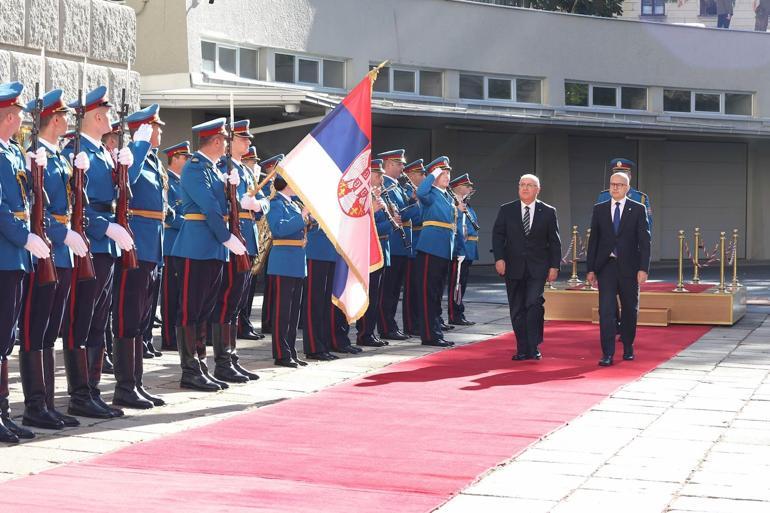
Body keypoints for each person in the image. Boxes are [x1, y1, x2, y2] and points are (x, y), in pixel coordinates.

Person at [63, 85, 142, 419]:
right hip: (90, 242)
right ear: (96, 116)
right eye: (107, 113)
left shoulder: (102, 153)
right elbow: (74, 202)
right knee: (81, 321)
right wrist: (104, 227)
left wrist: (123, 168)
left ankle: (92, 390)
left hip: (106, 245)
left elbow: (120, 199)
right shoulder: (77, 151)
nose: (110, 118)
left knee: (98, 321)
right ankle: (80, 393)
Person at [18, 89, 89, 431]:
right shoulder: (35, 156)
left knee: (50, 330)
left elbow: (71, 205)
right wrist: (62, 236)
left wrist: (80, 176)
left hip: (60, 252)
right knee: (35, 329)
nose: (67, 122)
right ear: (55, 120)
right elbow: (36, 210)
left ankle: (47, 402)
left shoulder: (59, 156)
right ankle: (34, 404)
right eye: (63, 117)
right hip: (44, 249)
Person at [169, 118, 246, 390]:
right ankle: (190, 370)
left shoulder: (214, 170)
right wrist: (227, 238)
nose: (227, 143)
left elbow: (226, 205)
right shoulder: (195, 168)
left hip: (212, 248)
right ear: (215, 141)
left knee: (204, 310)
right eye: (225, 139)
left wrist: (233, 189)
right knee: (190, 310)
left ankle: (201, 365)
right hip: (196, 246)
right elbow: (210, 207)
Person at [0, 81, 51, 442]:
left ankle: (3, 412)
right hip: (5, 253)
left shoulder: (15, 153)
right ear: (7, 117)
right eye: (17, 114)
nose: (21, 120)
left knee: (7, 339)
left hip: (16, 256)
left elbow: (29, 198)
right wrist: (24, 236)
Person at [110, 103, 165, 409]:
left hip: (151, 246)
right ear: (144, 128)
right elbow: (126, 183)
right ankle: (124, 386)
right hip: (135, 247)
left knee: (142, 320)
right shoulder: (131, 155)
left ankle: (136, 383)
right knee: (128, 316)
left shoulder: (153, 159)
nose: (159, 132)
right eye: (155, 127)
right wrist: (139, 144)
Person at [209, 120, 267, 383]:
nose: (248, 143)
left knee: (239, 302)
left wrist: (256, 204)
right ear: (229, 141)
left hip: (249, 239)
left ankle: (231, 358)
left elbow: (261, 201)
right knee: (228, 301)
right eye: (243, 139)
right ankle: (223, 362)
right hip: (234, 239)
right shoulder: (223, 167)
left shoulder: (245, 169)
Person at [492, 174, 561, 361]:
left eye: (530, 185)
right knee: (517, 308)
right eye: (522, 184)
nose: (525, 188)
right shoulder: (507, 210)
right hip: (513, 267)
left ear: (538, 190)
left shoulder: (547, 211)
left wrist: (554, 266)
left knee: (533, 304)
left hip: (538, 268)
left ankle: (534, 345)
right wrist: (499, 259)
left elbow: (554, 242)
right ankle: (522, 348)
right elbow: (498, 236)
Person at [586, 172, 651, 367]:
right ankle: (607, 353)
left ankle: (628, 346)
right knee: (606, 310)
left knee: (630, 309)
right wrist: (590, 269)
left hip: (629, 268)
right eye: (612, 184)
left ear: (627, 188)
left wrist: (643, 269)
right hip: (606, 266)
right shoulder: (600, 209)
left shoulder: (638, 209)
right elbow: (594, 241)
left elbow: (645, 242)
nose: (615, 188)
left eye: (619, 185)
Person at [266, 174, 310, 367]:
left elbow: (302, 227)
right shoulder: (275, 203)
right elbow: (279, 229)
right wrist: (302, 217)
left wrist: (310, 219)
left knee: (293, 312)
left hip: (297, 261)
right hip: (283, 261)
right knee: (282, 311)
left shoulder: (294, 204)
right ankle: (281, 352)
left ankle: (290, 350)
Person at [415, 156, 459, 347]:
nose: (447, 176)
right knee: (428, 294)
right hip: (430, 249)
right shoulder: (431, 192)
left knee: (436, 294)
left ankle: (436, 331)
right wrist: (432, 174)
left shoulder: (447, 196)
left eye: (449, 172)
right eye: (443, 173)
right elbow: (421, 191)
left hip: (443, 251)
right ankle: (429, 335)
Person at [377, 149, 419, 341]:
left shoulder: (398, 187)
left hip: (401, 245)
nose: (403, 167)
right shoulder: (386, 187)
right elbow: (399, 215)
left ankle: (391, 325)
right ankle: (386, 326)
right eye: (400, 163)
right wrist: (414, 204)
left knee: (394, 291)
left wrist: (414, 202)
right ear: (389, 165)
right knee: (388, 290)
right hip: (392, 244)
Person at [356, 159, 392, 348]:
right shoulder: (363, 197)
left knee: (377, 296)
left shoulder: (376, 196)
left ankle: (371, 331)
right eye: (378, 175)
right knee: (369, 295)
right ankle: (364, 333)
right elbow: (367, 226)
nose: (381, 179)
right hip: (368, 251)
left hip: (380, 249)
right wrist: (387, 219)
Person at [159, 140, 191, 351]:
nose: (188, 161)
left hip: (185, 243)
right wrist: (191, 225)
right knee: (170, 295)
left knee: (181, 294)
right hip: (172, 243)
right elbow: (169, 214)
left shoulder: (184, 182)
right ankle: (169, 338)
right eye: (185, 157)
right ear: (176, 158)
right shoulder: (168, 181)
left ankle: (177, 336)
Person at [236, 145, 266, 342]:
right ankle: (239, 324)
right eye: (251, 161)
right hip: (240, 232)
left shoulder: (248, 174)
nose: (254, 165)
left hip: (251, 232)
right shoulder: (231, 170)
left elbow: (264, 202)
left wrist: (258, 204)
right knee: (238, 287)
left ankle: (244, 322)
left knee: (248, 287)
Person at [447, 173, 478, 326]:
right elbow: (456, 227)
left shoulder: (465, 204)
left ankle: (458, 312)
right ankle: (454, 314)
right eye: (467, 186)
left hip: (468, 249)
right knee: (456, 284)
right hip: (460, 249)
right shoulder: (454, 203)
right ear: (458, 188)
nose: (470, 189)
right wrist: (459, 250)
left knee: (461, 284)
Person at [257, 154, 283, 336]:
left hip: (276, 239)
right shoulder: (266, 188)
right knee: (270, 283)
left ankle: (271, 320)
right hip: (266, 237)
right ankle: (267, 321)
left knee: (274, 285)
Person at [596, 158, 652, 234]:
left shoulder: (640, 198)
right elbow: (597, 226)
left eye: (623, 175)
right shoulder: (603, 197)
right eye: (617, 175)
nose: (619, 178)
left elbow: (647, 228)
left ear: (629, 177)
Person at [401, 159, 424, 337]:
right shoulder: (408, 192)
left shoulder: (418, 193)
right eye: (420, 174)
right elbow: (414, 219)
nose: (424, 177)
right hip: (412, 244)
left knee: (418, 288)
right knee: (411, 288)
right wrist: (415, 202)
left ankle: (417, 322)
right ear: (410, 176)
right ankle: (411, 324)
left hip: (418, 245)